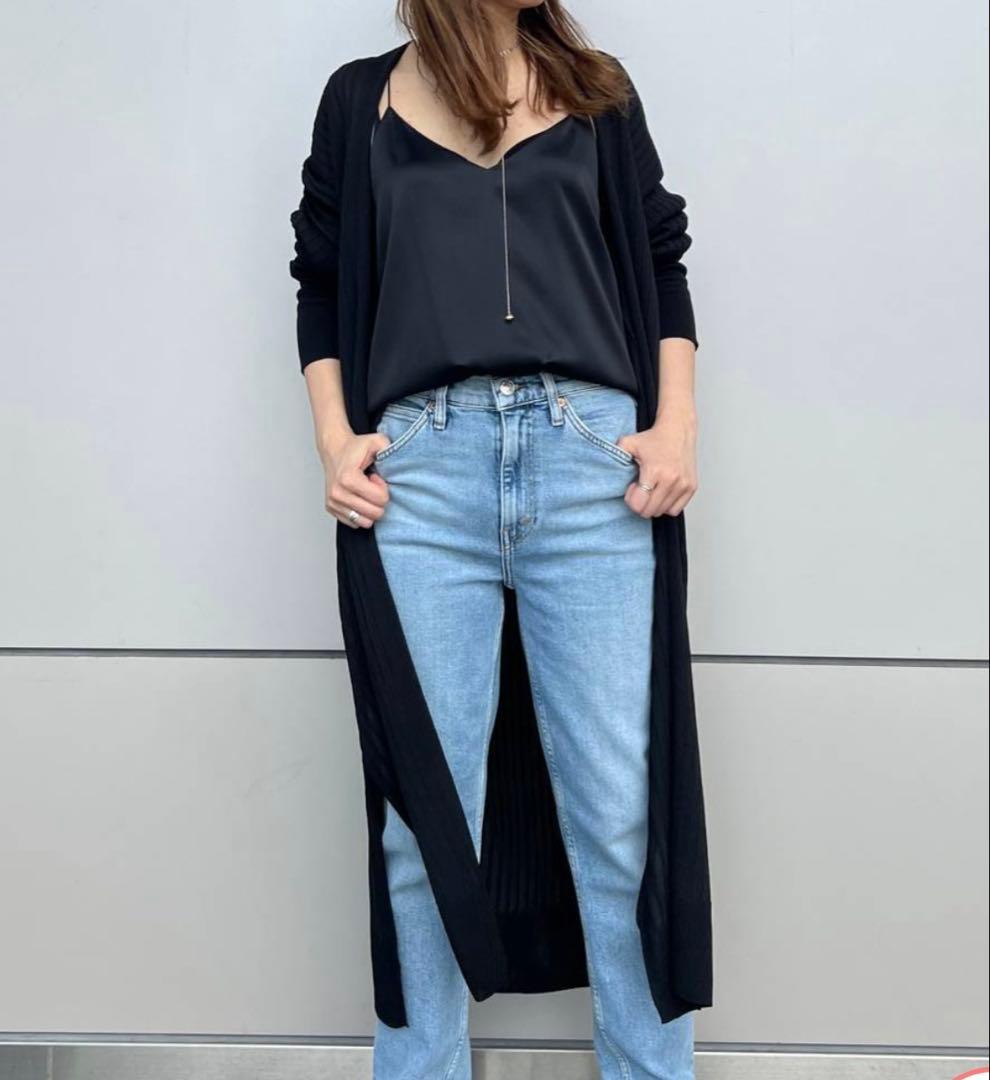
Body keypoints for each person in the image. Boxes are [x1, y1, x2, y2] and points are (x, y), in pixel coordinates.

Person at [289, 2, 711, 1077]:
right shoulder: (360, 99)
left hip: (590, 465)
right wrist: (335, 442)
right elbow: (320, 280)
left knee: (620, 815)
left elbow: (661, 261)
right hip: (423, 471)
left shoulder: (598, 90)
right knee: (423, 823)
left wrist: (675, 426)